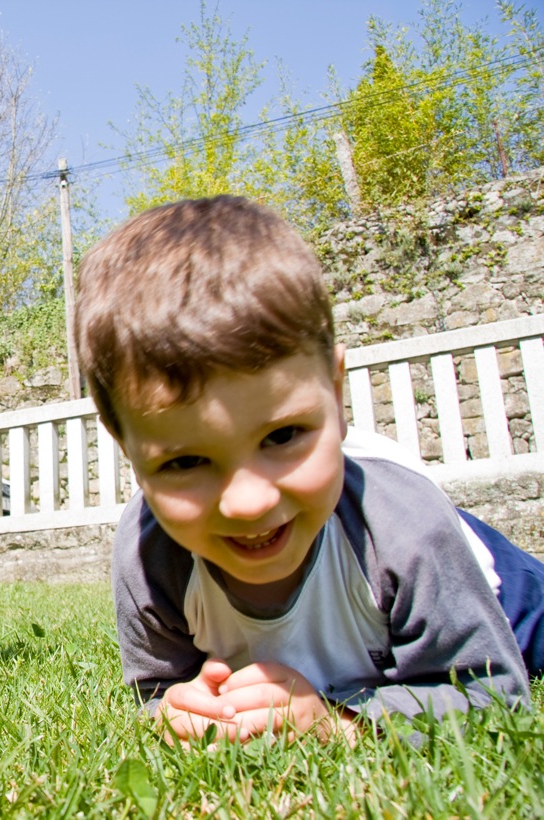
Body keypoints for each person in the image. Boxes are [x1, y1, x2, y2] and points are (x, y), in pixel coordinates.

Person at [72, 195, 544, 745]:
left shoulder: (403, 530)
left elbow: (493, 693)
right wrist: (179, 710)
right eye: (185, 462)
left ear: (337, 395)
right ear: (126, 446)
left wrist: (338, 720)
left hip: (506, 596)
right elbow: (158, 690)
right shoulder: (148, 557)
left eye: (282, 435)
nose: (247, 501)